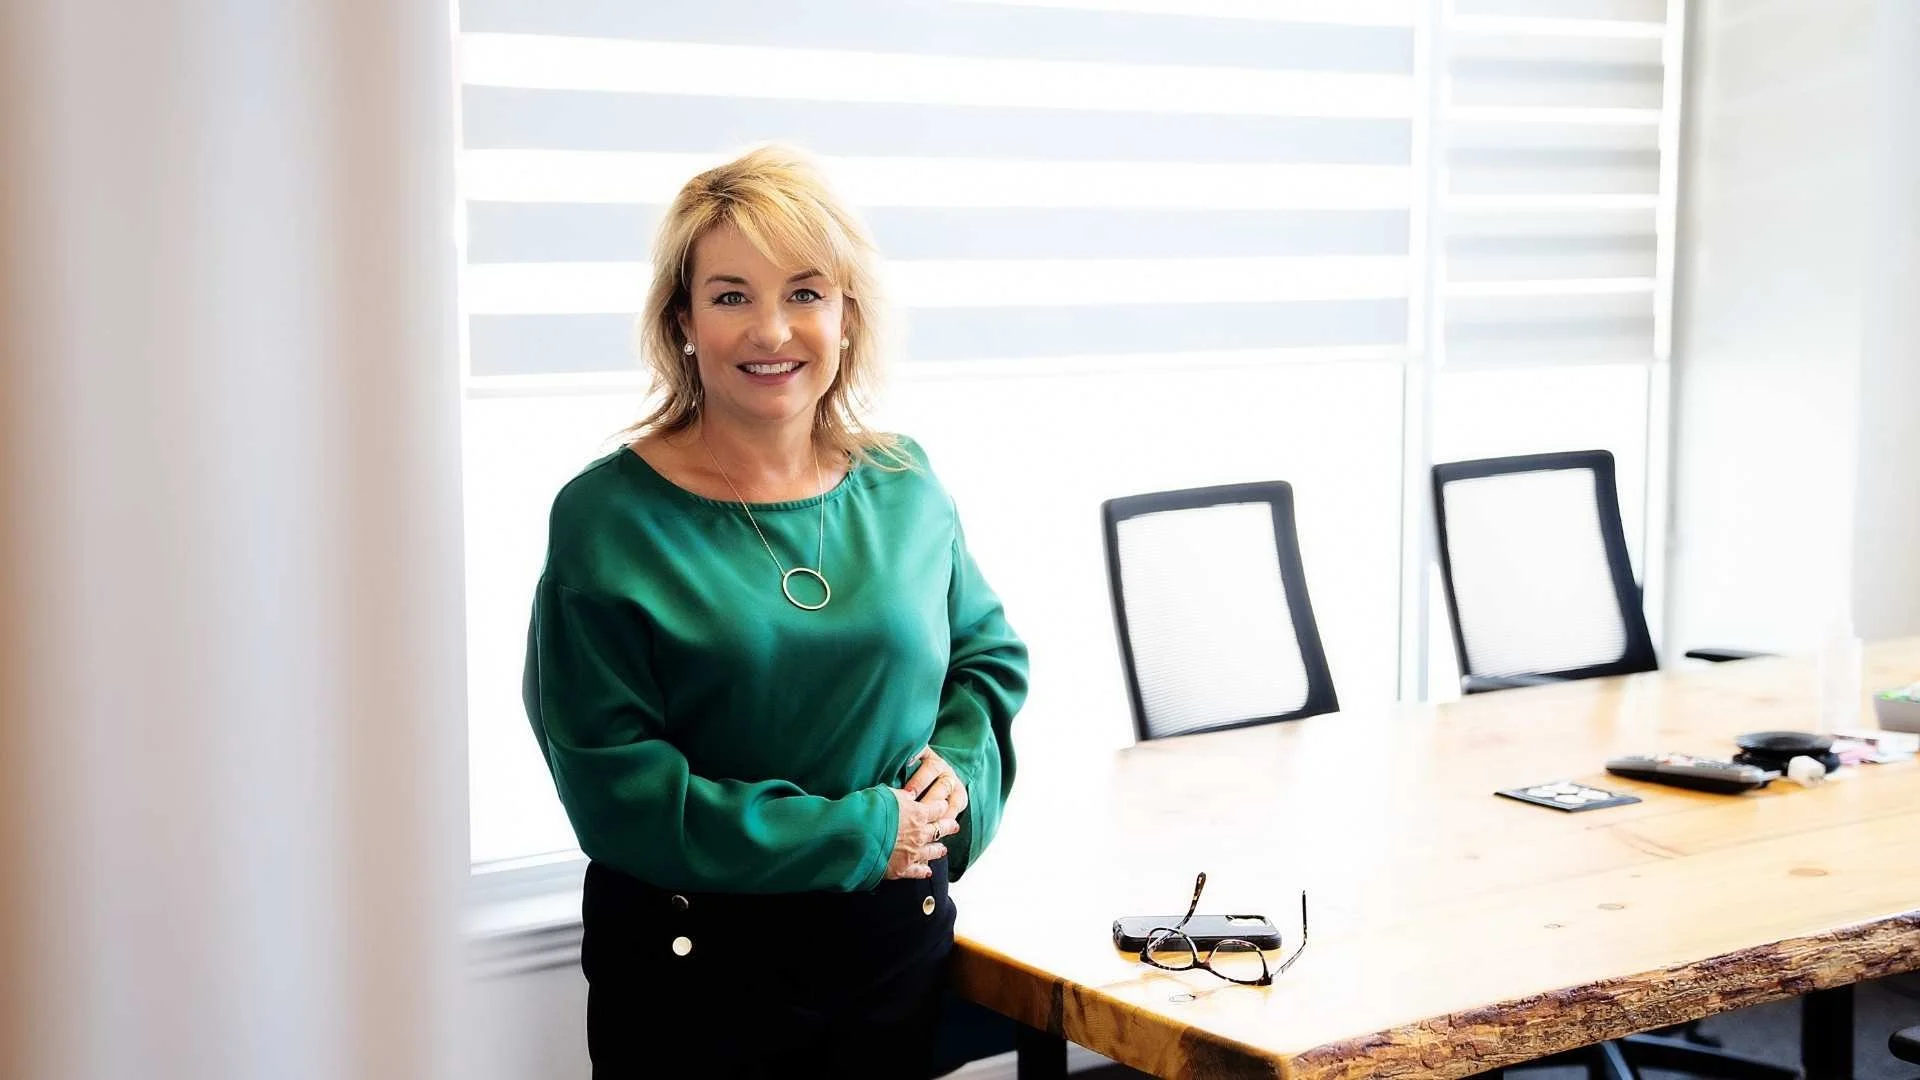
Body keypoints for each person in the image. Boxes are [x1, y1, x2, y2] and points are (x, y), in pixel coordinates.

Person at [521, 145, 1029, 1078]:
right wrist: (862, 835)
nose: (771, 330)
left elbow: (987, 660)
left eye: (805, 292)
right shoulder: (605, 521)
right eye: (729, 296)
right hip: (696, 983)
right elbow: (615, 788)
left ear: (846, 314)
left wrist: (955, 775)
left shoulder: (906, 484)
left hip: (893, 958)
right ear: (681, 319)